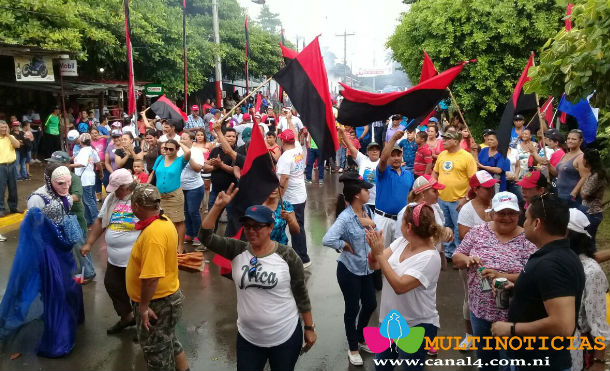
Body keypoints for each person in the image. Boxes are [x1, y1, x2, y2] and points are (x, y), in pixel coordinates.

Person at [200, 185, 316, 371]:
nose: (251, 231)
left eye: (257, 226)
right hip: (249, 340)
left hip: (284, 337)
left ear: (271, 227)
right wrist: (217, 206)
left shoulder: (288, 256)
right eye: (247, 226)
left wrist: (309, 328)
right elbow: (205, 237)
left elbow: (301, 294)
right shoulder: (237, 249)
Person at [491, 193, 585, 371]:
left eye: (526, 219)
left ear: (537, 223)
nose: (523, 224)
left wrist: (512, 329)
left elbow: (563, 324)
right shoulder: (554, 254)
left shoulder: (552, 264)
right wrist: (518, 290)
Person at [453, 192, 536, 371]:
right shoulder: (478, 232)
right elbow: (457, 255)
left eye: (511, 213)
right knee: (486, 360)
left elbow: (533, 275)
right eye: (501, 213)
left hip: (513, 317)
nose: (506, 218)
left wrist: (503, 275)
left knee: (509, 362)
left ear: (519, 214)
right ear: (491, 214)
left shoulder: (528, 239)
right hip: (480, 312)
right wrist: (467, 260)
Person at [366, 203, 442, 371]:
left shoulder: (430, 257)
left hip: (416, 326)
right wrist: (373, 250)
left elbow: (399, 286)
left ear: (408, 227)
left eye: (401, 222)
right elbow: (375, 265)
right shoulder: (402, 242)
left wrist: (379, 254)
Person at [126, 184, 189, 371]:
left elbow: (151, 277)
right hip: (167, 298)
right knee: (169, 343)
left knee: (156, 354)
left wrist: (144, 307)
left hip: (157, 303)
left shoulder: (153, 234)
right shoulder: (164, 220)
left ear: (136, 205)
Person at [322, 172, 377, 366]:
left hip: (366, 269)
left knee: (370, 304)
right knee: (352, 308)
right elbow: (327, 239)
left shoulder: (367, 211)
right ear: (356, 194)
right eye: (365, 190)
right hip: (349, 271)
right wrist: (343, 245)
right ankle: (353, 347)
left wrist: (370, 223)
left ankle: (360, 338)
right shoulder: (345, 218)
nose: (369, 192)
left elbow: (373, 233)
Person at [80, 169, 140, 334]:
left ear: (127, 187)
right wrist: (89, 243)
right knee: (112, 285)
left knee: (138, 294)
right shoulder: (112, 199)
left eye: (117, 189)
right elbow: (100, 221)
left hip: (135, 259)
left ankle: (145, 329)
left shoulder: (141, 198)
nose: (114, 193)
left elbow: (155, 224)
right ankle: (127, 317)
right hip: (115, 259)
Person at [566, 208, 610, 371]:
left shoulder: (591, 272)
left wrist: (599, 361)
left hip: (575, 349)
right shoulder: (556, 262)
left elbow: (597, 320)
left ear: (567, 234)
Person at [47, 150, 96, 283]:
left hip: (75, 216)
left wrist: (60, 199)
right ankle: (84, 269)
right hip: (63, 216)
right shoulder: (52, 177)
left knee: (81, 244)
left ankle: (89, 272)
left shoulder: (73, 178)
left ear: (66, 164)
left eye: (55, 163)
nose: (52, 166)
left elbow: (76, 196)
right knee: (74, 246)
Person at [433, 130, 477, 259]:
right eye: (444, 138)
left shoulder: (467, 156)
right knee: (445, 226)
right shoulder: (442, 155)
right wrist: (433, 189)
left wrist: (465, 197)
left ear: (456, 141)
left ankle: (459, 254)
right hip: (441, 198)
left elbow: (473, 180)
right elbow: (435, 173)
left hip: (458, 200)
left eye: (447, 139)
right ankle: (448, 252)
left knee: (459, 229)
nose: (443, 141)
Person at [374, 130, 414, 247]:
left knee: (398, 254)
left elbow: (411, 197)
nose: (396, 158)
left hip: (401, 221)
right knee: (380, 253)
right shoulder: (384, 171)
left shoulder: (408, 175)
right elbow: (382, 159)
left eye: (398, 155)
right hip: (383, 219)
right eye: (393, 155)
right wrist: (393, 139)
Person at [276, 126, 310, 267]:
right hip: (300, 194)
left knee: (295, 228)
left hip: (292, 198)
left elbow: (284, 179)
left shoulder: (286, 157)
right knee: (298, 226)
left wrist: (279, 199)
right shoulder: (297, 149)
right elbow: (296, 136)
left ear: (283, 142)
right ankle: (300, 255)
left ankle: (302, 258)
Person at [150, 139, 191, 253]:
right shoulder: (160, 159)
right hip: (160, 196)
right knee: (162, 221)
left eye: (171, 149)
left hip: (174, 196)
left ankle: (180, 246)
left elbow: (188, 152)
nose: (167, 151)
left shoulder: (180, 160)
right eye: (165, 148)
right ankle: (166, 244)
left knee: (179, 221)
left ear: (177, 149)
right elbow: (153, 174)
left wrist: (180, 142)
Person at [339, 126, 380, 210]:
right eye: (372, 149)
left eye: (377, 149)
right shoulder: (363, 159)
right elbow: (351, 147)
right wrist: (343, 133)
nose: (374, 151)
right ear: (367, 152)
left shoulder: (383, 162)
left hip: (378, 203)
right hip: (362, 202)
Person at [180, 131, 205, 247]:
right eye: (181, 138)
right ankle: (189, 233)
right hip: (181, 187)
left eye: (185, 138)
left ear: (191, 140)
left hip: (194, 187)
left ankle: (199, 236)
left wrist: (188, 155)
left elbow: (198, 168)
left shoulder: (196, 152)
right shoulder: (177, 151)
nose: (182, 140)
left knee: (193, 211)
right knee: (185, 212)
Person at [551, 129, 587, 207]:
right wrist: (548, 164)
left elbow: (584, 177)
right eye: (568, 138)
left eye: (574, 139)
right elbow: (557, 173)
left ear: (580, 141)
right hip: (559, 193)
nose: (570, 141)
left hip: (570, 196)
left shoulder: (581, 157)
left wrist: (573, 194)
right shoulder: (565, 155)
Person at [579, 148, 607, 243]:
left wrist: (582, 190)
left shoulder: (596, 176)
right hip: (591, 212)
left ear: (586, 160)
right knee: (589, 241)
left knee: (589, 242)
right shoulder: (594, 174)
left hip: (592, 213)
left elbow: (584, 195)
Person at [73, 133, 101, 227]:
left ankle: (94, 221)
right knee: (90, 200)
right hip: (91, 178)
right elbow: (98, 163)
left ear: (81, 141)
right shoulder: (92, 150)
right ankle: (90, 220)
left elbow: (83, 164)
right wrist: (101, 172)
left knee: (88, 201)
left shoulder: (84, 151)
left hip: (85, 180)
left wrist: (69, 165)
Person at [0, 120, 20, 216]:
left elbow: (17, 145)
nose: (3, 129)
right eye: (1, 127)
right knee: (1, 189)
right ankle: (1, 209)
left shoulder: (10, 137)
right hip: (1, 167)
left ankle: (13, 207)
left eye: (5, 127)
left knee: (13, 188)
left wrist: (8, 135)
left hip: (12, 165)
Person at [90, 128, 107, 202]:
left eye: (96, 133)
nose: (94, 135)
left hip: (104, 165)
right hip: (95, 166)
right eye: (92, 133)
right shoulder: (89, 143)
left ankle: (108, 196)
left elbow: (110, 137)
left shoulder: (102, 140)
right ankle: (99, 198)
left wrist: (102, 136)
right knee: (97, 182)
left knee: (106, 180)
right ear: (90, 135)